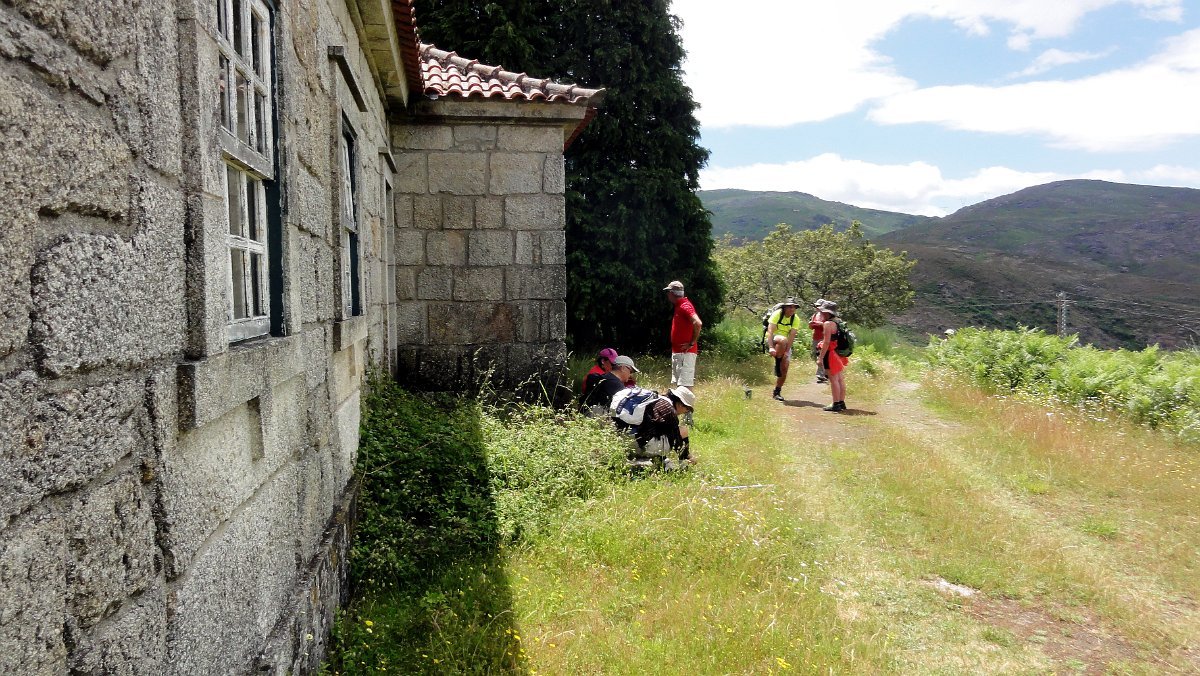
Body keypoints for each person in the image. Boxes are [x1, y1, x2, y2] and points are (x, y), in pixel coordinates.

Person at [636, 386, 695, 465]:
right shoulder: (670, 411)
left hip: (634, 439)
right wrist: (688, 456)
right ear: (680, 404)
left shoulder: (658, 400)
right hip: (644, 445)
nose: (686, 412)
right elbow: (676, 441)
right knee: (683, 430)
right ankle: (684, 464)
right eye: (687, 409)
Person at [664, 280, 702, 390]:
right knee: (680, 386)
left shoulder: (685, 306)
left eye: (668, 292)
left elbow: (698, 323)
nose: (667, 295)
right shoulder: (679, 305)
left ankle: (686, 402)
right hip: (679, 353)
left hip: (685, 353)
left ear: (672, 293)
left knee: (685, 386)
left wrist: (691, 343)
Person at [766, 297, 804, 401]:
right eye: (790, 307)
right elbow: (770, 331)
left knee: (785, 368)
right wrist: (770, 347)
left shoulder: (795, 319)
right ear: (785, 307)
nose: (792, 309)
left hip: (785, 343)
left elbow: (792, 336)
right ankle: (777, 363)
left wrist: (787, 352)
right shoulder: (777, 314)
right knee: (782, 340)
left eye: (794, 307)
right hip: (773, 340)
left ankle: (777, 391)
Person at [815, 303, 849, 412]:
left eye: (823, 311)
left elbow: (826, 342)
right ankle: (841, 402)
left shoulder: (828, 324)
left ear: (827, 313)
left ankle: (835, 404)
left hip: (830, 353)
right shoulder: (839, 322)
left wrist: (820, 358)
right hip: (838, 353)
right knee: (840, 378)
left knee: (833, 379)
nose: (821, 313)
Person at [808, 298, 829, 384]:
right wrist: (811, 324)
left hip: (824, 337)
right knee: (817, 355)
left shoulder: (827, 315)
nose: (817, 307)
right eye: (816, 306)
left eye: (819, 306)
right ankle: (824, 373)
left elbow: (829, 325)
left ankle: (821, 375)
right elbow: (811, 327)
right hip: (816, 337)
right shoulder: (815, 315)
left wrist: (821, 324)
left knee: (822, 355)